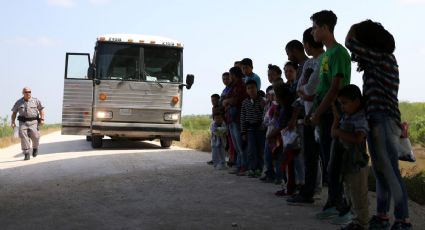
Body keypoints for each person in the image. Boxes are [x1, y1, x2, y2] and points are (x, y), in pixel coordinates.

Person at [345, 20, 412, 230]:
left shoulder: (383, 58)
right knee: (382, 172)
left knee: (389, 172)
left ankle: (402, 221)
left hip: (383, 119)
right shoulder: (378, 63)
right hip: (378, 120)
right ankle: (382, 217)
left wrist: (353, 31)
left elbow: (350, 43)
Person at [309, 10, 352, 224]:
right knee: (327, 161)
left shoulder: (339, 53)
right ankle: (334, 202)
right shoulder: (325, 55)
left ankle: (345, 208)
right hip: (323, 112)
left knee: (336, 162)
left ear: (325, 27)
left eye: (316, 27)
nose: (313, 31)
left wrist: (318, 112)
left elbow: (335, 88)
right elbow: (322, 87)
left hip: (334, 114)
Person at [287, 27, 325, 205]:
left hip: (321, 114)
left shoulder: (324, 60)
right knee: (309, 155)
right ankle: (308, 190)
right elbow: (302, 89)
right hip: (309, 114)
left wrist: (306, 92)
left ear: (306, 45)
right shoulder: (310, 64)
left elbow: (310, 90)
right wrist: (306, 92)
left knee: (322, 157)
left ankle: (326, 195)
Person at [331, 85, 370, 230]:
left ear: (357, 101)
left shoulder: (361, 117)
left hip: (357, 163)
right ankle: (355, 221)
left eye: (345, 103)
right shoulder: (347, 115)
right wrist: (336, 118)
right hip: (346, 163)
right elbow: (333, 133)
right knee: (350, 193)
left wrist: (338, 132)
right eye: (340, 103)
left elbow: (358, 138)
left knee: (359, 194)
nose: (342, 106)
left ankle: (362, 223)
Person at [223, 67, 248, 175]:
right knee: (237, 145)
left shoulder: (241, 86)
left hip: (238, 118)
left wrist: (227, 101)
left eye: (231, 74)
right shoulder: (234, 86)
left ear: (234, 75)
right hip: (232, 118)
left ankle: (243, 167)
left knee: (240, 145)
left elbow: (235, 100)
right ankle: (239, 166)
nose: (230, 77)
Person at [11, 87, 45, 160]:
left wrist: (42, 119)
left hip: (34, 122)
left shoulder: (36, 101)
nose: (28, 93)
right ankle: (26, 153)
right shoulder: (18, 102)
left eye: (29, 91)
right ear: (23, 93)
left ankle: (35, 148)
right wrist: (13, 122)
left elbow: (41, 110)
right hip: (23, 122)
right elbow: (14, 113)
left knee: (36, 136)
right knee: (24, 137)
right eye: (26, 92)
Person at [240, 80, 265, 177]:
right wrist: (243, 132)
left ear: (257, 88)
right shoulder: (245, 103)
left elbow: (265, 114)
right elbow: (242, 118)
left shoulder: (262, 101)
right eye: (248, 88)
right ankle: (252, 168)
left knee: (260, 149)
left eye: (253, 88)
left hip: (260, 129)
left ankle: (260, 168)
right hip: (249, 130)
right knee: (251, 150)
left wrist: (263, 126)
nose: (251, 90)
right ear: (246, 90)